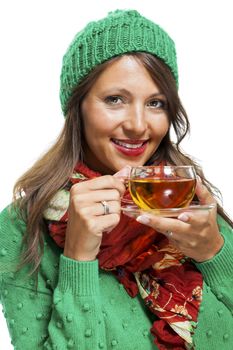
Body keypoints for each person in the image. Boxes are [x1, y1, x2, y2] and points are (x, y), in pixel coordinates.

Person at [0, 9, 232, 350]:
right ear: (77, 106)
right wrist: (78, 257)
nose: (139, 125)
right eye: (115, 100)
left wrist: (216, 256)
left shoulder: (190, 206)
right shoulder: (20, 228)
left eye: (155, 102)